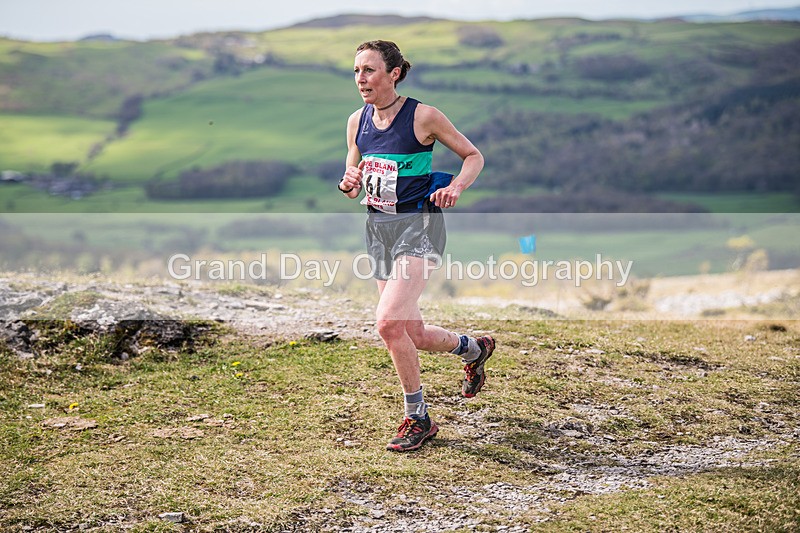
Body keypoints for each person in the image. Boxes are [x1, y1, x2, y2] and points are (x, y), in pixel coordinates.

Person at [338, 40, 496, 452]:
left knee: (388, 323)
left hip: (419, 226)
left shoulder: (423, 116)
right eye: (356, 71)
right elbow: (352, 176)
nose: (361, 79)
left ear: (394, 73)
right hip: (378, 230)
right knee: (412, 332)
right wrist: (349, 182)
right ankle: (475, 349)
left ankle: (418, 417)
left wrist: (457, 187)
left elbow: (473, 156)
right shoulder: (357, 121)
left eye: (369, 70)